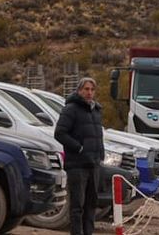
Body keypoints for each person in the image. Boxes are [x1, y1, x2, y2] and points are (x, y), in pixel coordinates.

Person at [54, 76, 105, 235]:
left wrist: (100, 153)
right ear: (79, 90)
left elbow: (98, 135)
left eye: (92, 89)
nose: (89, 93)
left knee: (91, 203)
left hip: (94, 164)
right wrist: (79, 148)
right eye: (86, 89)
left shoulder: (96, 110)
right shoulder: (71, 109)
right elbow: (60, 133)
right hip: (77, 165)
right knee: (77, 205)